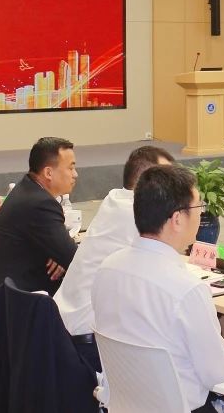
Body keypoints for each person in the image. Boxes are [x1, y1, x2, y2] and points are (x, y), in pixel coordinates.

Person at [92, 165, 224, 413]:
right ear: (177, 219)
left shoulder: (107, 268)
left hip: (129, 403)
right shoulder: (186, 289)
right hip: (188, 407)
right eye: (198, 207)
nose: (202, 214)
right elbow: (219, 375)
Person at [55, 145, 176, 371]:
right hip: (88, 340)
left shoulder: (115, 198)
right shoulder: (138, 214)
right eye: (167, 179)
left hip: (64, 328)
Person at [0, 137, 80, 330]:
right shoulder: (41, 203)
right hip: (9, 316)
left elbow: (62, 251)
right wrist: (62, 254)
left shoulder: (26, 188)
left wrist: (59, 254)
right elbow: (74, 259)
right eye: (71, 168)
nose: (75, 174)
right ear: (48, 172)